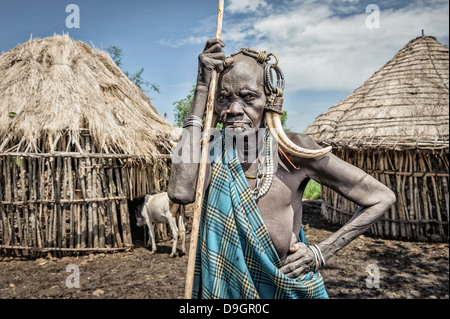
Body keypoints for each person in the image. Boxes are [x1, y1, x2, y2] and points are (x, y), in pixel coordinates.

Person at [168, 39, 396, 299]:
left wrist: (321, 252)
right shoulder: (210, 150)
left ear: (269, 101)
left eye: (248, 97)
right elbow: (180, 192)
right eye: (223, 98)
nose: (233, 109)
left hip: (286, 289)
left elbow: (381, 197)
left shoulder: (295, 150)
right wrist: (201, 88)